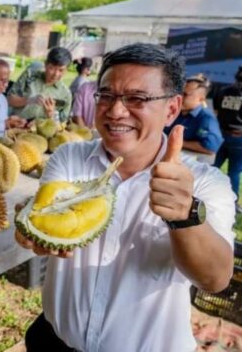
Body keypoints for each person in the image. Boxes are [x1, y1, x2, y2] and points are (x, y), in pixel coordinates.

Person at [16, 43, 235, 352]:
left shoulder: (206, 183)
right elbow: (43, 222)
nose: (116, 110)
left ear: (172, 108)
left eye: (137, 99)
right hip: (55, 341)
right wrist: (31, 230)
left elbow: (215, 279)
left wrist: (185, 215)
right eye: (106, 95)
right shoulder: (69, 157)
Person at [164, 74, 223, 163]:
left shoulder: (206, 118)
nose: (179, 98)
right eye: (179, 93)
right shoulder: (174, 111)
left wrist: (174, 141)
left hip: (192, 167)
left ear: (201, 99)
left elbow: (210, 148)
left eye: (185, 94)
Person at [8, 47, 72, 122]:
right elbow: (9, 99)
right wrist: (29, 100)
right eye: (52, 68)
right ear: (45, 64)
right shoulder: (29, 75)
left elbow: (62, 125)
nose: (56, 74)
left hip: (39, 132)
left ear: (67, 70)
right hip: (16, 126)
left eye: (61, 70)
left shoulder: (65, 95)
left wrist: (51, 114)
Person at [214, 66, 242, 197]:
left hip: (221, 134)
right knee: (234, 172)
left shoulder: (223, 91)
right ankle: (233, 201)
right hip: (239, 138)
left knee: (212, 168)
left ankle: (203, 194)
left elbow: (216, 111)